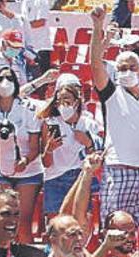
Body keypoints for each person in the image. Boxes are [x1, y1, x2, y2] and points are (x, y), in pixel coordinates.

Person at [91, 7, 139, 226]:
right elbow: (95, 65)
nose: (126, 71)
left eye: (131, 67)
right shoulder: (112, 93)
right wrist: (97, 27)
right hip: (120, 170)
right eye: (121, 68)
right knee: (115, 230)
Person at [0, 67, 42, 243]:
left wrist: (25, 160)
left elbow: (35, 146)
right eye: (0, 79)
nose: (5, 83)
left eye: (9, 78)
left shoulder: (28, 108)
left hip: (28, 172)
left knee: (22, 222)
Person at [38, 81, 100, 221]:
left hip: (80, 177)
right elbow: (46, 164)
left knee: (81, 221)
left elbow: (96, 158)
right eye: (59, 101)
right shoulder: (51, 123)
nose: (63, 104)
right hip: (55, 178)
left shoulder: (88, 124)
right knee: (56, 224)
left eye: (67, 100)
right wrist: (49, 150)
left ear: (76, 102)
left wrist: (88, 143)